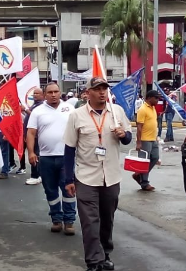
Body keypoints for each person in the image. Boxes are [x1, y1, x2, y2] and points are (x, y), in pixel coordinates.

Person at [63, 77, 132, 271]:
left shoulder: (116, 112)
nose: (102, 92)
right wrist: (68, 179)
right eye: (97, 89)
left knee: (106, 219)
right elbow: (69, 149)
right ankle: (94, 261)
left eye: (104, 89)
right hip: (86, 176)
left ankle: (105, 253)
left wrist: (123, 135)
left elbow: (128, 138)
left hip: (111, 176)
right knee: (89, 222)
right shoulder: (76, 116)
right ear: (88, 93)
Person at [27, 83, 76, 235]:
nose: (53, 94)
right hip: (46, 158)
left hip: (66, 158)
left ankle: (69, 221)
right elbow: (31, 133)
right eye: (50, 92)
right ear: (44, 94)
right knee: (50, 190)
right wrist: (31, 153)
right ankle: (56, 219)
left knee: (68, 189)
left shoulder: (70, 109)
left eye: (56, 91)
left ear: (60, 92)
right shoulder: (38, 111)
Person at [134, 89, 161, 191]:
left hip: (153, 139)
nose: (158, 100)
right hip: (145, 140)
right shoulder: (143, 109)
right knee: (145, 161)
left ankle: (139, 174)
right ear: (149, 98)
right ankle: (144, 183)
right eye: (156, 98)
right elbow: (139, 127)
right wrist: (139, 142)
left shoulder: (153, 108)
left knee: (155, 157)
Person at [22, 87, 44, 183]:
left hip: (35, 135)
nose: (35, 95)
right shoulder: (35, 105)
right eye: (34, 93)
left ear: (43, 95)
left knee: (35, 154)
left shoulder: (41, 106)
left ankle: (36, 176)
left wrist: (26, 110)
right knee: (33, 153)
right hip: (30, 134)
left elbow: (37, 117)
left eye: (37, 93)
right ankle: (35, 174)